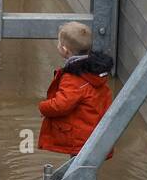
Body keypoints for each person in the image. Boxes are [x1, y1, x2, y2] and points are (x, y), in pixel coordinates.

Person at [38, 21, 114, 158]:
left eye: (59, 43)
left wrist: (43, 107)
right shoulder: (95, 71)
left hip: (80, 138)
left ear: (65, 50)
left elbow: (61, 105)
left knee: (77, 171)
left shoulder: (73, 78)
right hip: (93, 132)